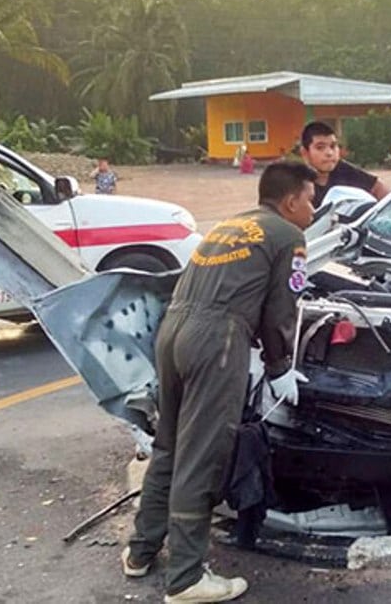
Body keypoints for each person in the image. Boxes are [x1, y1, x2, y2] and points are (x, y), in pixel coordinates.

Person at [121, 161, 317, 603]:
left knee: (169, 446)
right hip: (217, 340)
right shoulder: (290, 237)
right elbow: (281, 311)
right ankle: (187, 578)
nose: (313, 207)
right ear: (290, 200)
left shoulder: (232, 225)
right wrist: (281, 366)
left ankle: (140, 552)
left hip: (173, 333)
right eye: (310, 198)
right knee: (203, 455)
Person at [299, 120, 390, 207]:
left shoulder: (344, 171)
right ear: (305, 153)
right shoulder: (296, 181)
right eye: (320, 147)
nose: (329, 153)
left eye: (333, 146)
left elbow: (379, 189)